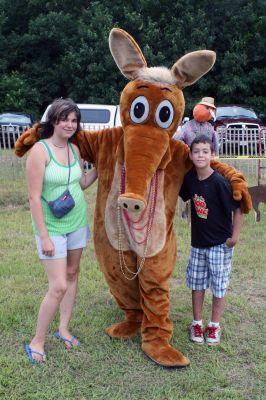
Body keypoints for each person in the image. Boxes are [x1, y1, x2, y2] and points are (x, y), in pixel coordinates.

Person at [25, 98, 97, 363]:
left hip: (77, 222)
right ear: (53, 120)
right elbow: (33, 198)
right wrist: (44, 236)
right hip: (51, 227)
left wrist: (100, 168)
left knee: (73, 274)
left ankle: (63, 329)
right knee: (57, 285)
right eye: (64, 119)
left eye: (74, 120)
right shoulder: (40, 152)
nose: (69, 124)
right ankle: (37, 340)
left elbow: (82, 183)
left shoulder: (75, 150)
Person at [179, 135, 243, 345]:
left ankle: (214, 326)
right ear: (190, 154)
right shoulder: (189, 179)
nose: (200, 155)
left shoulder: (218, 182)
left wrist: (234, 238)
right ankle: (197, 323)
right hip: (198, 244)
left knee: (218, 285)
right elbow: (178, 193)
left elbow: (238, 209)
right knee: (197, 284)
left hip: (219, 244)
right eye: (196, 151)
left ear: (212, 154)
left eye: (205, 151)